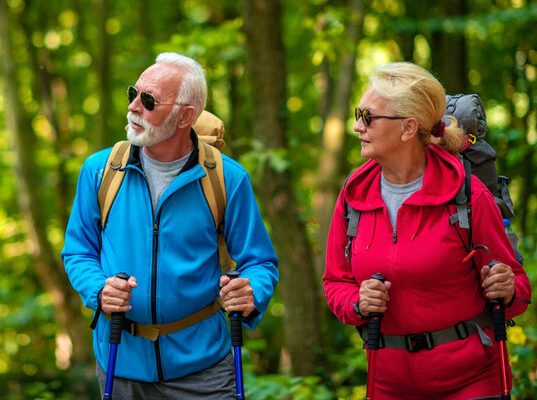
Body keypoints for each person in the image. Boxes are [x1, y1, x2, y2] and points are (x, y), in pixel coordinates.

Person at [61, 52, 279, 399]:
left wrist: (251, 289)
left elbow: (260, 261)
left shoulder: (227, 178)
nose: (134, 106)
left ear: (184, 116)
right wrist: (99, 289)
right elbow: (78, 250)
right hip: (120, 360)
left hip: (203, 368)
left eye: (148, 101)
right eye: (133, 93)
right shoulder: (100, 170)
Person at [323, 62, 531, 400]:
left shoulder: (468, 195)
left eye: (367, 116)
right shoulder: (353, 196)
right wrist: (357, 303)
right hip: (387, 382)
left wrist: (506, 288)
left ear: (408, 128)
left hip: (472, 381)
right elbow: (335, 282)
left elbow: (518, 290)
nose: (356, 125)